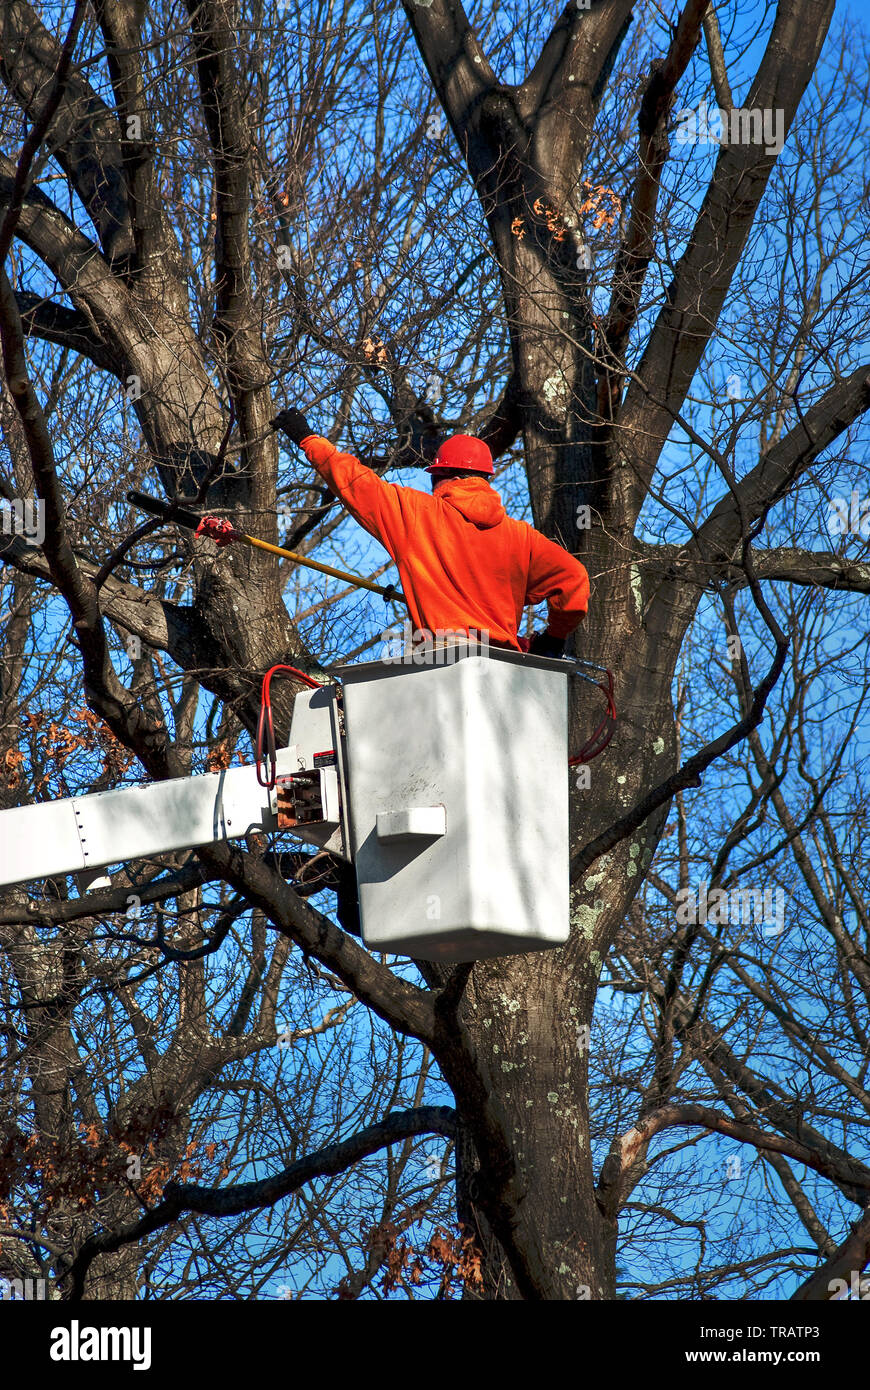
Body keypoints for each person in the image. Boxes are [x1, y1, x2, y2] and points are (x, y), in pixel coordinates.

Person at [271, 409, 590, 658]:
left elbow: (356, 483)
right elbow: (575, 579)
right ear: (485, 478)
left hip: (443, 665)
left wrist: (309, 439)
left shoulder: (416, 514)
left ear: (441, 474)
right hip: (507, 672)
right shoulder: (522, 539)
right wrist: (554, 638)